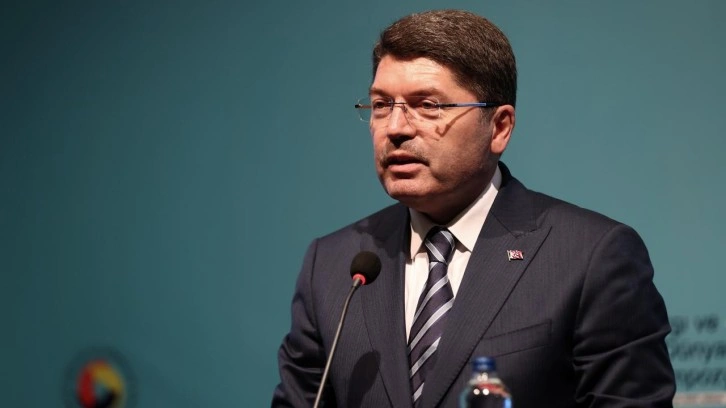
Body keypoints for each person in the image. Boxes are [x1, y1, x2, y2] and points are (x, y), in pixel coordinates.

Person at [272, 9, 675, 408]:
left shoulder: (589, 257)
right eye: (381, 105)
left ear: (499, 127)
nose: (395, 128)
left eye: (427, 105)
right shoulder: (333, 266)